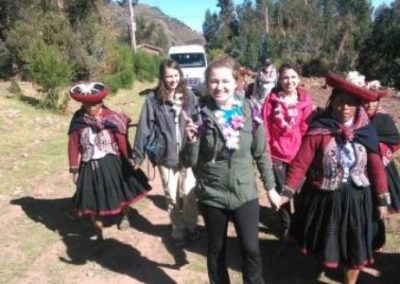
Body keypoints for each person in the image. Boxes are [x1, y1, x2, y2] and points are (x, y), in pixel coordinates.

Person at [280, 72, 390, 284]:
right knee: (325, 242)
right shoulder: (320, 130)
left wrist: (382, 199)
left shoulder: (367, 132)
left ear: (358, 106)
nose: (345, 108)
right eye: (340, 102)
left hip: (357, 199)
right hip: (324, 198)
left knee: (354, 246)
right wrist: (288, 190)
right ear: (332, 104)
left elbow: (376, 169)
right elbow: (301, 163)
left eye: (350, 103)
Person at [183, 56, 279, 284]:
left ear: (236, 82)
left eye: (225, 81)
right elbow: (189, 161)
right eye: (214, 81)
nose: (220, 87)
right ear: (207, 84)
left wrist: (271, 188)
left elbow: (261, 153)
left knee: (251, 249)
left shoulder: (250, 113)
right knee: (216, 249)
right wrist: (191, 141)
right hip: (212, 194)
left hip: (245, 192)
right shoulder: (199, 115)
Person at [68, 82, 151, 241]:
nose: (91, 106)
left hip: (111, 161)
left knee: (120, 190)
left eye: (94, 103)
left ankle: (124, 216)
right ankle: (98, 233)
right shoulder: (78, 121)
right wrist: (74, 169)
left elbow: (121, 140)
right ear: (81, 103)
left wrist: (129, 158)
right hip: (89, 164)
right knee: (93, 196)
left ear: (101, 102)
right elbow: (73, 144)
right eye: (87, 103)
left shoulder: (111, 118)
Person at [131, 59, 199, 247]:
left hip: (186, 156)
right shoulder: (153, 100)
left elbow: (198, 120)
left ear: (180, 75)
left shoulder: (189, 97)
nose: (172, 79)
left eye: (176, 75)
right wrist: (137, 155)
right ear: (162, 77)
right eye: (168, 76)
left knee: (190, 194)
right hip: (165, 156)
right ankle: (178, 230)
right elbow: (144, 127)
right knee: (171, 196)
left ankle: (191, 226)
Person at [262, 62, 313, 240]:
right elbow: (266, 127)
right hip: (276, 154)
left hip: (298, 155)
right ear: (279, 79)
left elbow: (307, 129)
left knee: (299, 192)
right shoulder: (271, 100)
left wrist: (308, 154)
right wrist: (266, 152)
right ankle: (286, 226)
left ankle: (299, 226)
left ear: (299, 79)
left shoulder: (305, 101)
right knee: (281, 192)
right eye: (285, 77)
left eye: (293, 77)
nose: (289, 81)